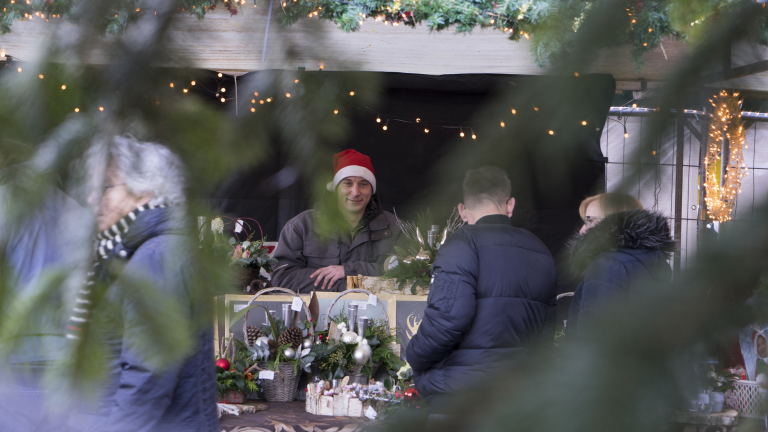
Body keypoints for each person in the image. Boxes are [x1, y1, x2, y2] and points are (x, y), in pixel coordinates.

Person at [65, 135, 218, 432]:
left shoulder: (156, 254)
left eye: (106, 186)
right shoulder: (135, 250)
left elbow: (148, 375)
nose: (93, 198)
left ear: (145, 192)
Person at [406, 166, 557, 407]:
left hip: (462, 396)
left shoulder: (462, 244)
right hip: (520, 395)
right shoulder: (540, 249)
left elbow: (447, 320)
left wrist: (413, 356)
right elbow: (547, 331)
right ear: (510, 205)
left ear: (463, 211)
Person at [272, 149, 402, 293]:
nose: (355, 192)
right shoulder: (301, 226)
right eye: (347, 183)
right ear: (335, 188)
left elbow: (410, 273)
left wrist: (349, 271)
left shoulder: (395, 227)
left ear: (372, 189)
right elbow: (282, 277)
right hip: (315, 314)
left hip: (377, 314)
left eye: (363, 184)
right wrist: (345, 287)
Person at [567, 193, 674, 338]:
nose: (582, 230)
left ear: (612, 221)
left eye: (590, 221)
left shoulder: (607, 264)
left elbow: (595, 340)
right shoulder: (652, 260)